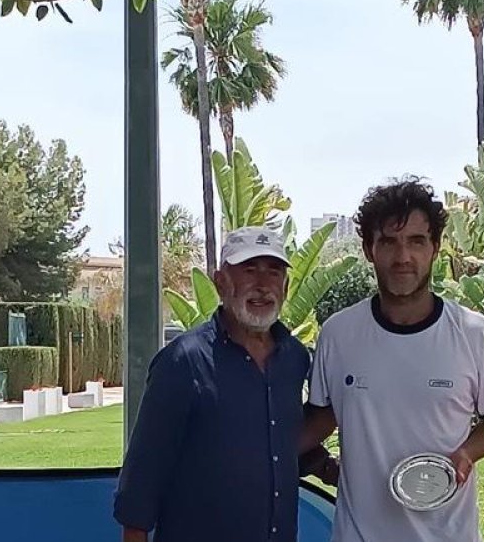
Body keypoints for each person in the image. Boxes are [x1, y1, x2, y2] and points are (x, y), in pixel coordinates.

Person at [302, 178, 484, 542]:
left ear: (435, 248)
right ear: (369, 249)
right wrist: (255, 453)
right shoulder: (339, 334)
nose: (403, 257)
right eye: (388, 242)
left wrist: (467, 453)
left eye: (416, 241)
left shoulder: (473, 333)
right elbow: (321, 418)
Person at [114, 226, 336, 542]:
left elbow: (279, 442)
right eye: (249, 270)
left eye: (273, 273)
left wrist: (327, 466)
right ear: (221, 282)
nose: (262, 285)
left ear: (285, 286)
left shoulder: (295, 358)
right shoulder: (183, 361)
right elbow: (142, 478)